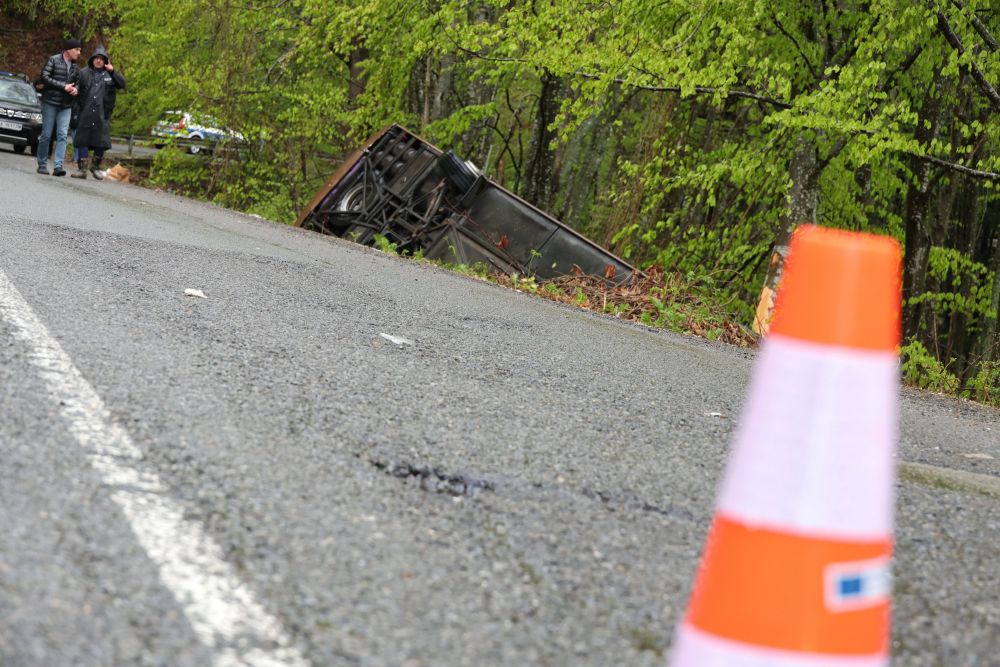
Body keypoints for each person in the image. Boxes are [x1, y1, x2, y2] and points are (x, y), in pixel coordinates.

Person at [70, 45, 125, 180]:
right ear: (92, 60)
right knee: (82, 140)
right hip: (85, 112)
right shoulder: (83, 73)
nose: (98, 61)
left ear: (105, 61)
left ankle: (95, 166)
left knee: (102, 142)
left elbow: (122, 84)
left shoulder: (110, 75)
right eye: (96, 58)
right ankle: (82, 170)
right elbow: (77, 87)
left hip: (102, 114)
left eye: (101, 59)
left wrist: (113, 72)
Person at [36, 38, 81, 176]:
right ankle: (42, 165)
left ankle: (58, 167)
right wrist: (63, 86)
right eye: (77, 50)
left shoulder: (75, 67)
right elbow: (44, 77)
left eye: (80, 50)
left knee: (62, 135)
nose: (79, 53)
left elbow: (78, 83)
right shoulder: (54, 60)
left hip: (66, 105)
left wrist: (76, 90)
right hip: (50, 102)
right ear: (68, 50)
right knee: (47, 135)